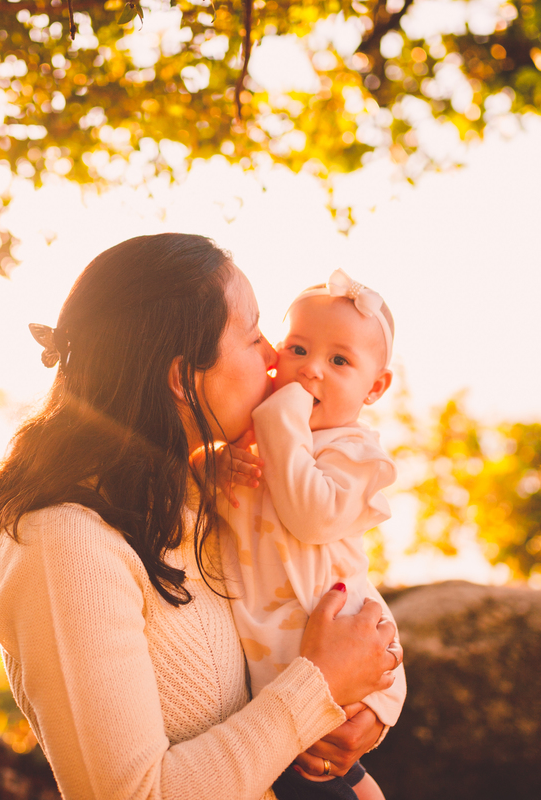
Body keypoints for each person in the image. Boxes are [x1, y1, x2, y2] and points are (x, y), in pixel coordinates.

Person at [0, 234, 404, 799]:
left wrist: (363, 707)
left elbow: (309, 594)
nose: (277, 358)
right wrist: (316, 688)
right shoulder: (64, 546)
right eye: (254, 336)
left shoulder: (195, 497)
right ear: (182, 377)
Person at [213, 270, 405, 800]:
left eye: (339, 361)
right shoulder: (254, 440)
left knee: (334, 776)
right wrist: (212, 463)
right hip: (271, 674)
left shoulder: (355, 454)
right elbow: (209, 501)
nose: (311, 369)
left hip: (340, 649)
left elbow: (311, 515)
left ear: (375, 387)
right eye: (297, 349)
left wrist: (281, 415)